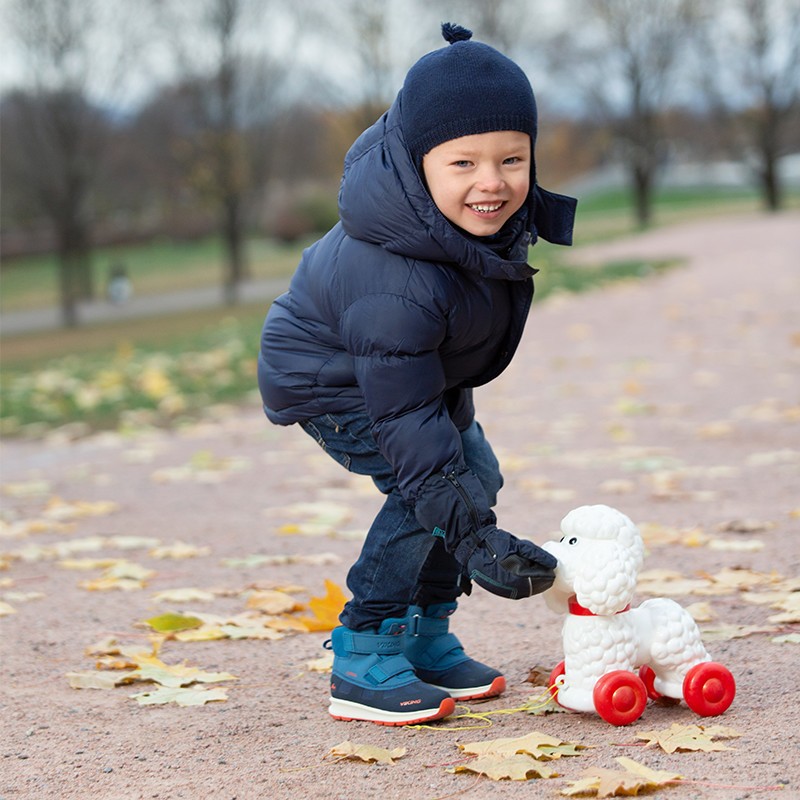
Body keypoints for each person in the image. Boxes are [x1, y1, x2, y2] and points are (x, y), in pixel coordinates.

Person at [257, 22, 577, 726]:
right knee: (424, 488)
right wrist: (473, 539)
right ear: (418, 161)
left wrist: (472, 516)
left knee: (477, 472)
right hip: (335, 382)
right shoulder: (395, 276)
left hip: (410, 377)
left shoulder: (462, 227)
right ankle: (366, 651)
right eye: (463, 163)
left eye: (512, 160)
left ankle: (426, 634)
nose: (492, 183)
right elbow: (405, 423)